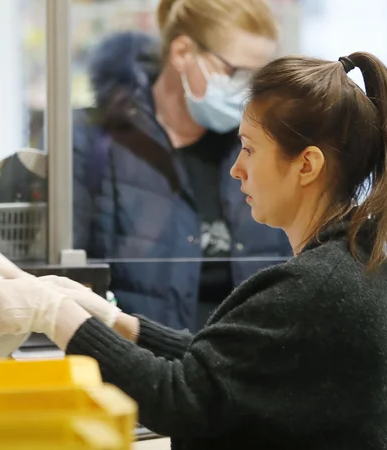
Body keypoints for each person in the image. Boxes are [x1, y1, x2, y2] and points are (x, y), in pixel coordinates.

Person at [0, 52, 387, 449]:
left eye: (250, 148)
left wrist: (53, 313)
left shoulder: (317, 286)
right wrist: (110, 320)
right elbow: (221, 368)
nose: (237, 169)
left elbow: (180, 397)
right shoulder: (355, 268)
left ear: (307, 166)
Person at [72, 0, 291, 331]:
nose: (248, 91)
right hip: (139, 369)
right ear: (182, 53)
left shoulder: (260, 146)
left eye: (259, 78)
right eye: (237, 74)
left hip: (248, 370)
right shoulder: (98, 142)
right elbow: (71, 283)